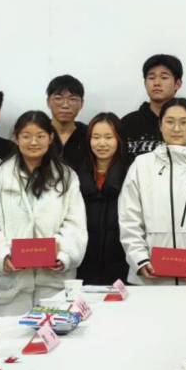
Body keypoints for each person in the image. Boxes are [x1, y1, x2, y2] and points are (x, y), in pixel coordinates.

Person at [0, 112, 88, 315]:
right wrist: (1, 256)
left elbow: (75, 223)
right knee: (13, 334)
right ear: (16, 138)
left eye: (40, 136)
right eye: (26, 136)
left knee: (56, 333)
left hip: (55, 284)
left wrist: (64, 254)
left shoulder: (66, 177)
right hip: (12, 284)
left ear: (50, 138)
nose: (33, 142)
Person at [119, 98, 186, 285]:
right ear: (160, 125)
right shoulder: (141, 165)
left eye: (184, 122)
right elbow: (129, 218)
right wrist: (140, 259)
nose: (176, 128)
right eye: (169, 122)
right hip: (149, 276)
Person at [75, 113, 132, 286]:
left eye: (108, 137)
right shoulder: (75, 176)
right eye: (96, 137)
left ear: (119, 140)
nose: (101, 143)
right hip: (84, 264)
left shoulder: (132, 174)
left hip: (122, 264)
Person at [121, 54, 186, 158]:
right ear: (145, 83)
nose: (156, 83)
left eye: (164, 77)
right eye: (151, 77)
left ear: (177, 84)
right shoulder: (128, 123)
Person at [45, 75, 88, 171]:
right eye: (58, 98)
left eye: (72, 99)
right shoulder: (38, 132)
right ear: (48, 102)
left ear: (81, 104)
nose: (65, 105)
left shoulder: (89, 134)